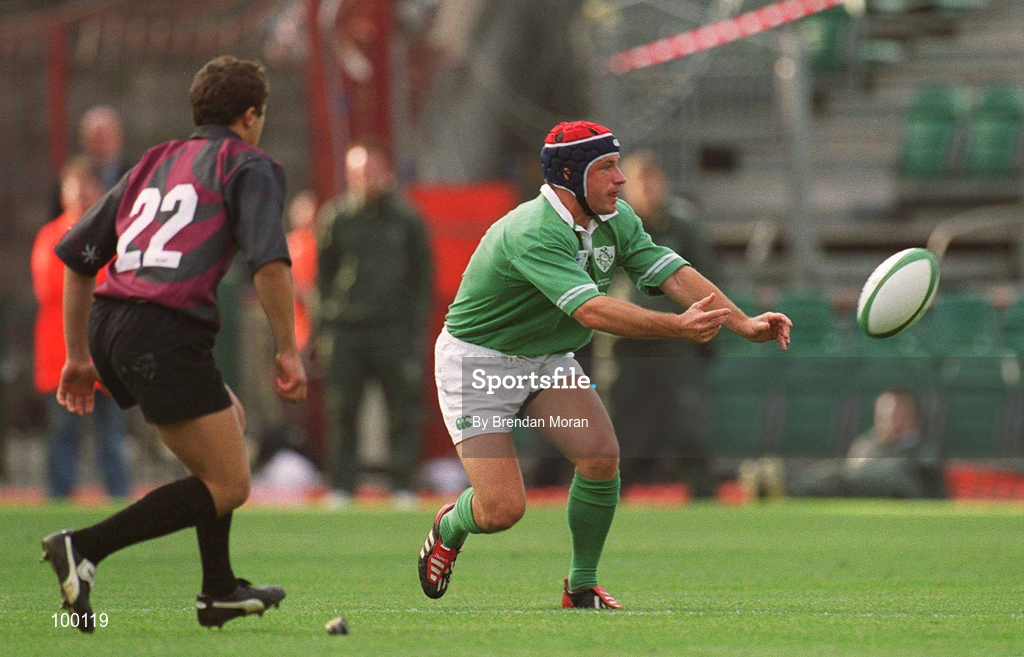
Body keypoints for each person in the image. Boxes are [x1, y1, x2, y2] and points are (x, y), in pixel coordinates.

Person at [418, 120, 792, 609]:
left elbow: (671, 272)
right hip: (481, 365)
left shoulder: (617, 218)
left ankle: (580, 586)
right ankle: (449, 525)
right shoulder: (533, 230)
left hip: (545, 359)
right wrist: (676, 328)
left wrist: (743, 322)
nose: (620, 179)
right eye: (607, 167)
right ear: (570, 177)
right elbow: (590, 310)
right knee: (502, 509)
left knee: (599, 456)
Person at [41, 55, 307, 632]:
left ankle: (219, 590)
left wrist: (79, 356)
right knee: (230, 484)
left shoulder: (153, 161)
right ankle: (84, 546)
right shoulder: (248, 163)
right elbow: (269, 259)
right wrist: (288, 348)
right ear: (250, 115)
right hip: (162, 328)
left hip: (115, 323)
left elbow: (77, 257)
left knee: (225, 431)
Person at [315, 141, 433, 508]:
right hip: (347, 329)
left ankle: (402, 484)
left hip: (393, 329)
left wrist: (415, 325)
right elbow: (322, 277)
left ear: (385, 172)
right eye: (358, 172)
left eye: (371, 171)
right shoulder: (337, 218)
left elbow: (422, 277)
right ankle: (342, 485)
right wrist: (325, 325)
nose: (365, 179)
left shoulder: (407, 220)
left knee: (402, 409)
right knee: (343, 409)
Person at [611, 151, 720, 493]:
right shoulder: (609, 226)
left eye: (653, 178)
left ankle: (705, 499)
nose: (647, 187)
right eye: (638, 180)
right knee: (620, 429)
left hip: (676, 343)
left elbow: (706, 278)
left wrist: (708, 338)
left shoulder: (683, 225)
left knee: (687, 426)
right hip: (624, 345)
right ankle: (610, 502)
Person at [32, 157, 129, 500]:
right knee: (62, 434)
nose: (81, 194)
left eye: (88, 186)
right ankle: (58, 498)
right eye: (74, 187)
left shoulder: (114, 235)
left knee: (112, 435)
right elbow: (51, 286)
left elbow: (121, 283)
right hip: (61, 356)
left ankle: (119, 497)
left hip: (104, 352)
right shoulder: (50, 235)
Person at [777, 390, 943, 499]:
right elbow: (851, 467)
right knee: (832, 471)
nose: (890, 422)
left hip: (902, 490)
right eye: (883, 417)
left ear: (912, 415)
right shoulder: (869, 442)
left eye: (898, 415)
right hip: (863, 486)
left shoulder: (923, 447)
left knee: (839, 478)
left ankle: (783, 487)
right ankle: (781, 483)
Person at [51, 106, 131, 219]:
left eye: (105, 135)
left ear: (118, 136)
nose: (101, 142)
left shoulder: (134, 175)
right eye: (96, 137)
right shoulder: (69, 178)